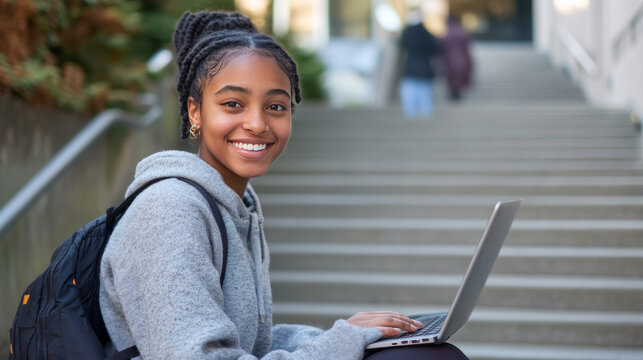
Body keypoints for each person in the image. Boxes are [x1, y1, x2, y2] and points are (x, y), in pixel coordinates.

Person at [99, 10, 468, 359]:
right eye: (233, 103)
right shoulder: (169, 209)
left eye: (276, 106)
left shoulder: (239, 204)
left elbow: (248, 340)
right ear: (195, 111)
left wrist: (347, 333)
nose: (257, 124)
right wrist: (341, 342)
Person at [399, 9, 439, 119]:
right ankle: (424, 113)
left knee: (412, 92)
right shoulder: (426, 33)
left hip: (413, 66)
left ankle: (413, 113)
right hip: (423, 66)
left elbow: (403, 44)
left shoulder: (407, 32)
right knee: (423, 93)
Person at [440, 16, 473, 101]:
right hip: (462, 59)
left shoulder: (447, 34)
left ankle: (454, 97)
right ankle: (456, 96)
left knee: (453, 81)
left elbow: (441, 49)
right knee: (457, 81)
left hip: (450, 60)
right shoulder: (462, 33)